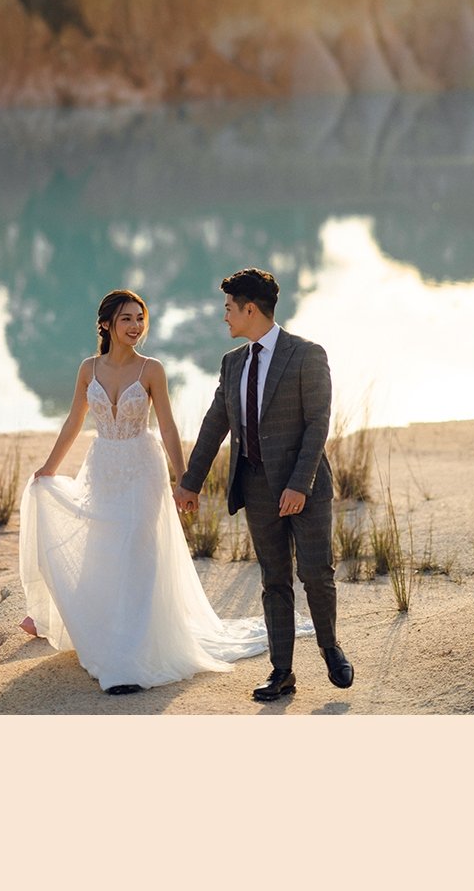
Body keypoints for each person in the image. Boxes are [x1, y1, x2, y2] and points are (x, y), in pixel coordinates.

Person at [17, 289, 273, 694]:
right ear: (106, 325)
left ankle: (127, 661)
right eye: (126, 319)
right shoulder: (88, 369)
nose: (136, 326)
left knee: (138, 553)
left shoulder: (152, 370)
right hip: (102, 467)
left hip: (142, 468)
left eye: (140, 318)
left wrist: (184, 480)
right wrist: (48, 468)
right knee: (102, 550)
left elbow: (168, 427)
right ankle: (102, 636)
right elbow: (73, 422)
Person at [174, 268, 352, 702]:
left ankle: (329, 647)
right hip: (254, 488)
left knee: (315, 573)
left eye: (229, 309)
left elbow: (317, 425)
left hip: (303, 488)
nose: (225, 318)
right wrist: (190, 483)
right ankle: (282, 672)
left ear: (250, 308)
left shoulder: (307, 354)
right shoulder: (232, 363)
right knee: (274, 579)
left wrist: (298, 485)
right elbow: (215, 423)